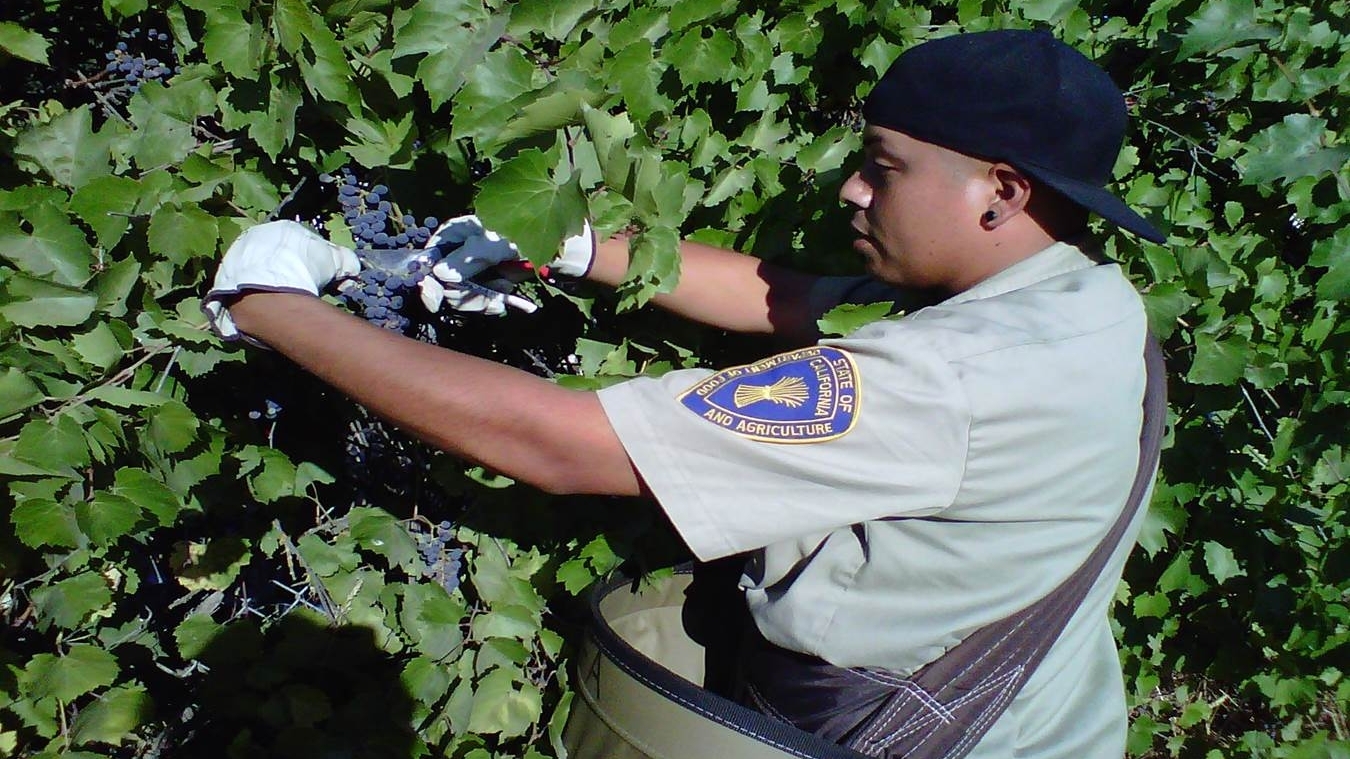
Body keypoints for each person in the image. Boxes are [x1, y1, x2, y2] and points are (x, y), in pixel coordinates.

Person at [205, 29, 1165, 759]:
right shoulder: (1081, 299)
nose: (851, 194)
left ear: (999, 192)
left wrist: (273, 309)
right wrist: (566, 245)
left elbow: (561, 444)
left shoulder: (951, 380)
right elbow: (795, 300)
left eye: (882, 169)